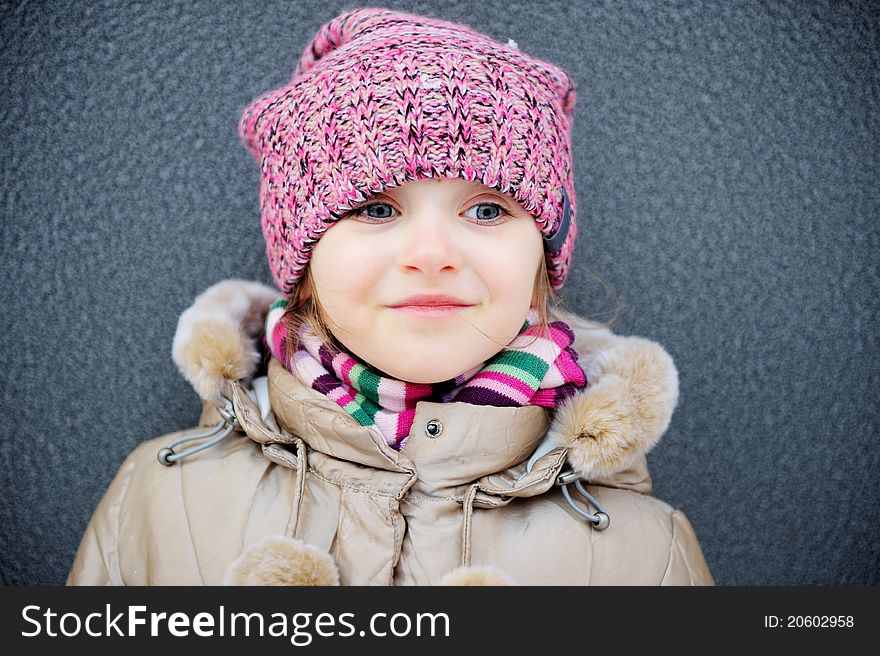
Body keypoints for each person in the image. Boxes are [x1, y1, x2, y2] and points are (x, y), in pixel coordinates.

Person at [67, 7, 713, 586]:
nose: (432, 253)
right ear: (304, 255)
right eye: (376, 208)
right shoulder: (156, 504)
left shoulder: (647, 556)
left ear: (542, 256)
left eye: (487, 210)